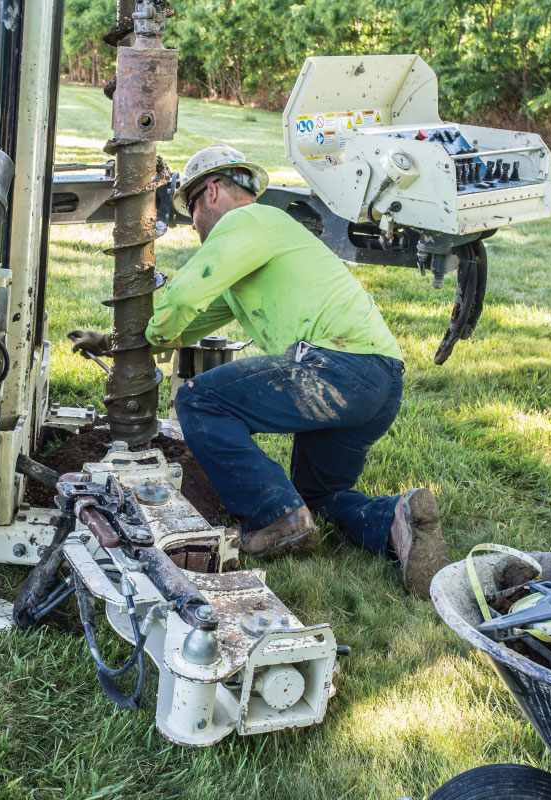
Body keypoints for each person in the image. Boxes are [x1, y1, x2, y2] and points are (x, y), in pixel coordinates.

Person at [68, 144, 449, 598]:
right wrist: (117, 343)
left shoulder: (245, 221)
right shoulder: (267, 237)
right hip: (379, 381)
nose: (193, 225)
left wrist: (151, 327)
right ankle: (395, 521)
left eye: (191, 209)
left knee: (200, 400)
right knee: (320, 498)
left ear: (211, 192)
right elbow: (187, 325)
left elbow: (183, 299)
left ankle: (273, 517)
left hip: (336, 370)